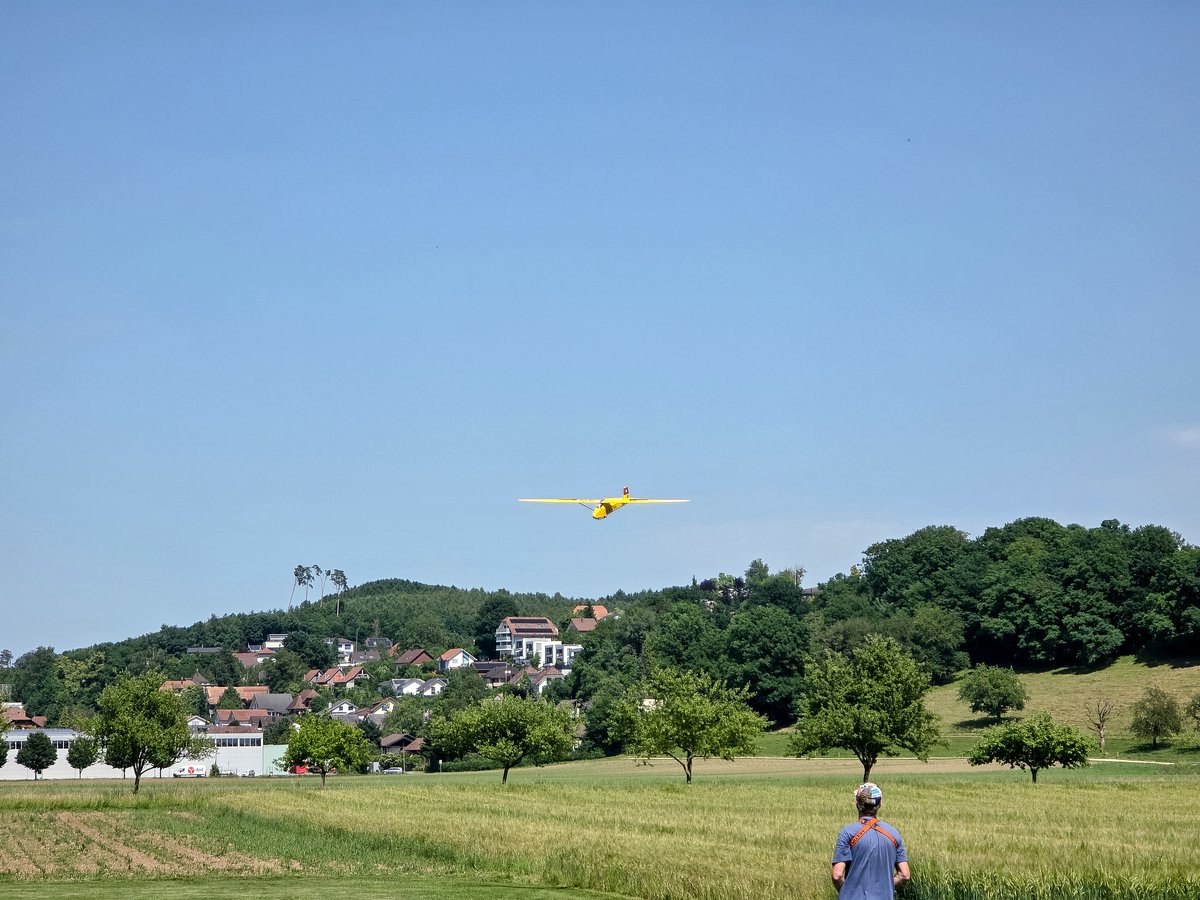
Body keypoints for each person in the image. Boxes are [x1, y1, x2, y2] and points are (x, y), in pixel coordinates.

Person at [831, 782, 910, 898]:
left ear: (857, 803)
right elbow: (905, 875)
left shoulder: (847, 833)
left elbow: (837, 875)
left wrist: (848, 892)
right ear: (879, 805)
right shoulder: (894, 834)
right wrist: (884, 888)